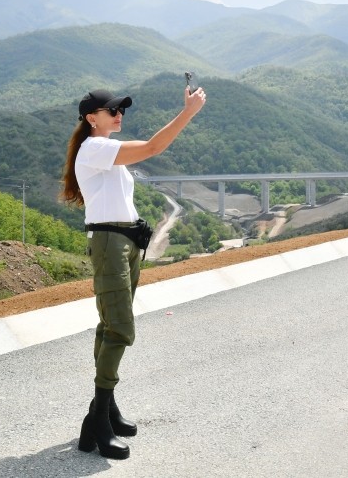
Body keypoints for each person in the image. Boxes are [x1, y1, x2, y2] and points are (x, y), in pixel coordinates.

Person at [61, 84, 207, 460]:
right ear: (92, 118)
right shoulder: (94, 147)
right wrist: (188, 112)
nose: (118, 115)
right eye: (111, 111)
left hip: (124, 243)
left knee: (108, 327)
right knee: (121, 329)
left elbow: (116, 201)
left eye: (120, 109)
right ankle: (97, 421)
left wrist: (134, 228)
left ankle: (105, 412)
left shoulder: (103, 151)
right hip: (110, 246)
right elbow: (154, 148)